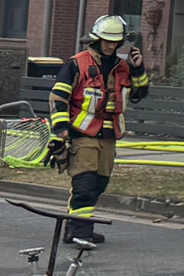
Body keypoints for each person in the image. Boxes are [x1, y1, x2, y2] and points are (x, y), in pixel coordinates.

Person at [52, 14, 148, 244]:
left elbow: (139, 94)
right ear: (96, 39)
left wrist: (138, 69)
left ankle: (75, 226)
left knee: (99, 183)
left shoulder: (123, 67)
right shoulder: (77, 63)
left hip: (109, 135)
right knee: (84, 183)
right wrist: (61, 129)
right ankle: (81, 233)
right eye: (107, 40)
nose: (111, 45)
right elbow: (58, 97)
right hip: (82, 134)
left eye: (115, 42)